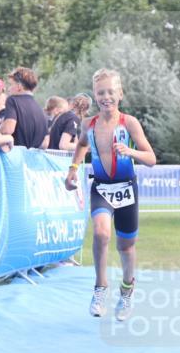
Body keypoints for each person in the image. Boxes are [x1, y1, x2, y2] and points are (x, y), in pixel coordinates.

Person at [64, 68, 156, 320]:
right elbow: (82, 144)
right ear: (95, 95)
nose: (106, 97)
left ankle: (126, 291)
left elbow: (151, 158)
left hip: (126, 188)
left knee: (126, 246)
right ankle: (100, 287)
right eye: (100, 92)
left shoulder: (130, 123)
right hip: (101, 187)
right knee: (101, 234)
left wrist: (131, 151)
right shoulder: (88, 124)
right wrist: (73, 168)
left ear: (120, 94)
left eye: (111, 92)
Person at [0, 67, 48, 148]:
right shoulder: (40, 109)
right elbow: (45, 142)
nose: (9, 88)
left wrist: (0, 128)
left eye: (11, 84)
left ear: (19, 86)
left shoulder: (12, 100)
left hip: (15, 156)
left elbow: (8, 129)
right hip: (33, 158)